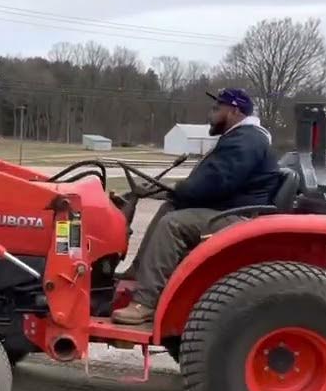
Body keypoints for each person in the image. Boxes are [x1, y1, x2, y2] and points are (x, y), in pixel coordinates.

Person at [111, 88, 281, 325]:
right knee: (170, 208)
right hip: (229, 208)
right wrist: (171, 192)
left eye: (216, 109)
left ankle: (145, 303)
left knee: (173, 224)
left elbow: (216, 182)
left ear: (234, 111)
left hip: (239, 217)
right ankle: (138, 273)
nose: (210, 114)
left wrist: (179, 189)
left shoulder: (247, 139)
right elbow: (213, 183)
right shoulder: (242, 137)